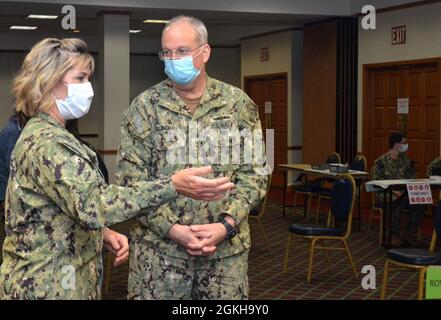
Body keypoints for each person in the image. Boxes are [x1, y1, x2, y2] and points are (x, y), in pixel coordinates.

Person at [0, 37, 233, 300]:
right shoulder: (49, 143)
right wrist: (171, 185)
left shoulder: (49, 133)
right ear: (49, 83)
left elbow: (61, 209)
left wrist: (99, 233)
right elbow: (95, 204)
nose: (88, 88)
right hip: (45, 286)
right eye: (80, 78)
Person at [116, 15, 268, 300]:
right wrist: (173, 229)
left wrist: (225, 225)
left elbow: (256, 175)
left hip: (225, 258)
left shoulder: (238, 105)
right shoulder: (144, 108)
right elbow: (130, 183)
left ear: (205, 52)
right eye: (167, 53)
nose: (174, 59)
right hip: (159, 258)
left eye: (182, 51)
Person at [371, 132, 426, 247]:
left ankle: (409, 232)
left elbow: (412, 178)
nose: (406, 145)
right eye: (404, 143)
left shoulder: (406, 161)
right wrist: (393, 192)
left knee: (421, 203)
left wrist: (404, 191)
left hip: (404, 194)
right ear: (396, 144)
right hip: (387, 195)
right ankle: (394, 235)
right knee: (394, 203)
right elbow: (376, 183)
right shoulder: (380, 162)